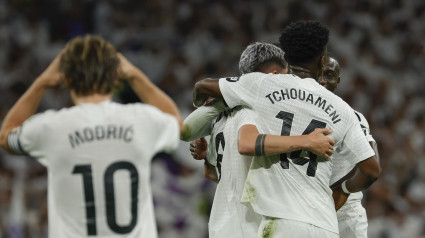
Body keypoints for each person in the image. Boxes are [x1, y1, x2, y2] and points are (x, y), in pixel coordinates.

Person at [192, 20, 381, 237]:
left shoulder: (262, 85)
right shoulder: (343, 110)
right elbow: (371, 170)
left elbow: (203, 86)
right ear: (321, 61)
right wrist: (344, 190)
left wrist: (206, 112)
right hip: (326, 223)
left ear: (286, 59)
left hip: (281, 221)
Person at [0, 35, 184, 238]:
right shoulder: (141, 119)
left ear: (66, 78)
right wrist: (135, 76)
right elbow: (177, 124)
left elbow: (6, 135)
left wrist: (42, 82)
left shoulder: (52, 127)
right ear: (116, 76)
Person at [182, 42, 335, 238]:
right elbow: (247, 144)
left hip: (220, 226)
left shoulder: (219, 117)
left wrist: (206, 155)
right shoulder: (253, 110)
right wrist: (306, 141)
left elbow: (212, 174)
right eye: (286, 74)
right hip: (250, 224)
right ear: (274, 76)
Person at [319, 55, 380, 238]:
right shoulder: (294, 108)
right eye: (319, 74)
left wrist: (344, 189)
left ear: (338, 81)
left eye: (329, 75)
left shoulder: (352, 116)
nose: (322, 80)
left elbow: (371, 163)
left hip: (343, 208)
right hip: (307, 202)